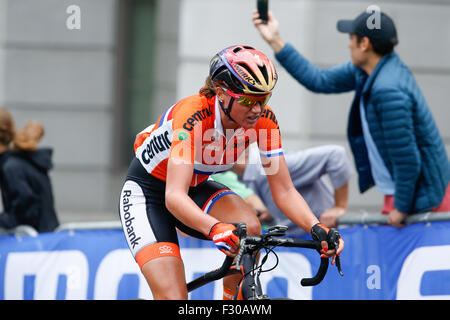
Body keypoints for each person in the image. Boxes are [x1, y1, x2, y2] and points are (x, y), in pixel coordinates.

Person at [118, 45, 344, 300]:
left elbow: (283, 190)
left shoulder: (264, 123)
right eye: (248, 100)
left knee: (250, 227)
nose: (257, 110)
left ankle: (232, 300)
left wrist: (316, 227)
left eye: (263, 99)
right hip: (148, 195)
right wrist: (216, 228)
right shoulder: (192, 117)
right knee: (175, 298)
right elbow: (174, 197)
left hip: (195, 187)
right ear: (222, 93)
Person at [253, 9, 450, 228]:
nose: (348, 44)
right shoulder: (368, 69)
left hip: (422, 199)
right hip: (408, 192)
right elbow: (319, 80)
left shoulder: (388, 91)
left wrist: (401, 207)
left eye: (352, 39)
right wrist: (274, 39)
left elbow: (407, 160)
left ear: (364, 43)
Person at [212, 144, 352, 235]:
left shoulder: (269, 164)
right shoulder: (249, 175)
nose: (208, 161)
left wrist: (339, 206)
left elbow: (336, 155)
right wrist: (270, 214)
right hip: (307, 240)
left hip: (329, 235)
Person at [0, 113, 59, 233]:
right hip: (45, 241)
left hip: (38, 245)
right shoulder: (19, 162)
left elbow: (24, 215)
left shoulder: (12, 168)